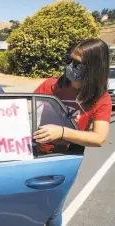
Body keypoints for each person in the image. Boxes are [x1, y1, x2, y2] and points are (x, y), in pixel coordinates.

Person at [33, 38, 112, 226]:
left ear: (94, 68)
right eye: (68, 60)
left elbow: (99, 138)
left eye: (77, 64)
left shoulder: (101, 99)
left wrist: (61, 132)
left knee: (52, 210)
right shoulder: (52, 85)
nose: (70, 66)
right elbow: (25, 109)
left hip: (65, 158)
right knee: (30, 204)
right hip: (36, 153)